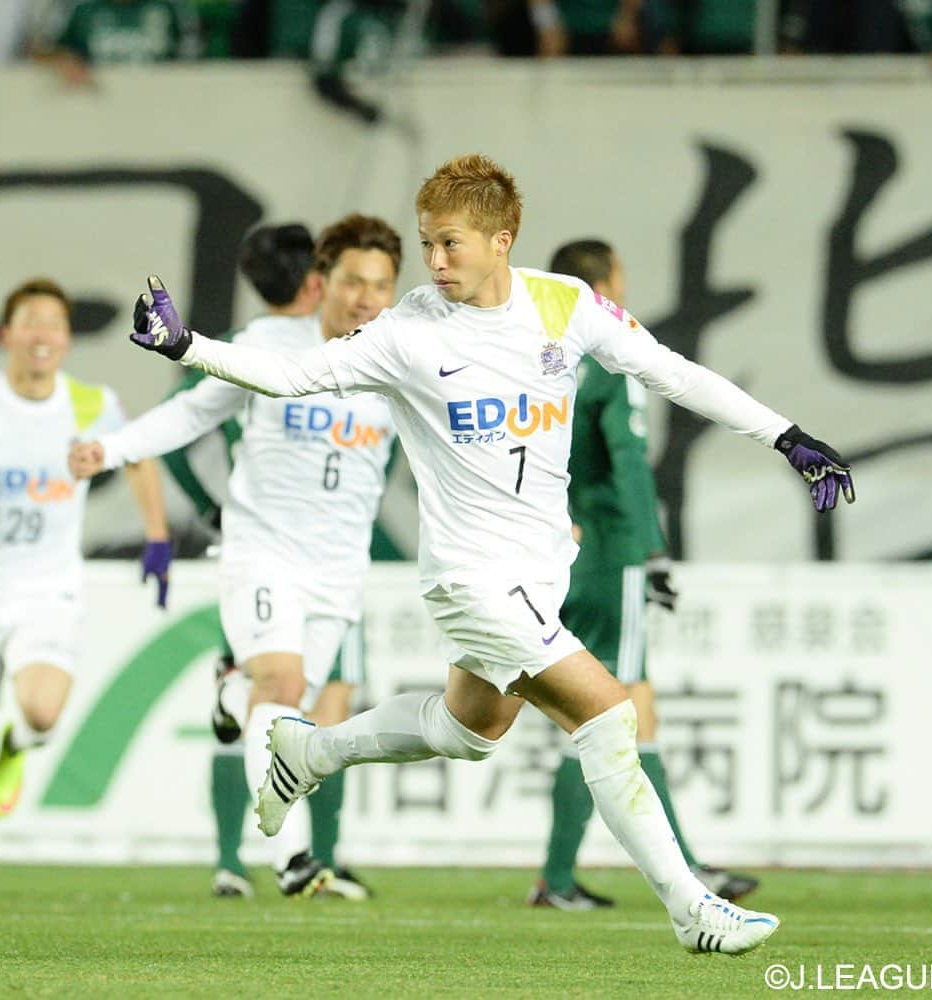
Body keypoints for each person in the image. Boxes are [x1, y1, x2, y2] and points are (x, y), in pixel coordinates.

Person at [121, 153, 855, 955]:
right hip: (470, 580)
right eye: (427, 244)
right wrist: (188, 345)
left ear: (502, 240)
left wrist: (783, 435)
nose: (434, 262)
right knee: (608, 716)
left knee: (468, 730)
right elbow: (294, 374)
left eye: (450, 245)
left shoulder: (563, 305)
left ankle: (313, 747)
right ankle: (691, 908)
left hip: (541, 575)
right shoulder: (407, 332)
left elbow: (671, 372)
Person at [70, 215, 402, 901]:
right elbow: (192, 413)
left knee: (299, 718)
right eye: (353, 281)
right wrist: (115, 449)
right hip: (265, 551)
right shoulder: (270, 344)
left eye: (382, 284)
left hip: (338, 567)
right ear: (323, 280)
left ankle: (231, 696)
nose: (367, 297)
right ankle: (296, 858)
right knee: (281, 692)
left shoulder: (401, 359)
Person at [528, 239, 757, 910]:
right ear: (605, 285)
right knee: (605, 716)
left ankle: (684, 867)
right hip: (612, 549)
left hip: (568, 548)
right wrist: (653, 548)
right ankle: (560, 876)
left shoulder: (546, 359)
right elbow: (628, 459)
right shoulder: (608, 356)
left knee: (633, 712)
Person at [0, 278, 171, 903]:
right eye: (29, 322)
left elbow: (135, 455)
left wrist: (157, 538)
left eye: (54, 323)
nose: (42, 334)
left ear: (65, 339)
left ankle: (18, 745)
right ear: (7, 335)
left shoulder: (89, 403)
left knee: (43, 713)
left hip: (48, 590)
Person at [36, 0, 202, 87]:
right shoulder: (81, 8)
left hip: (161, 110)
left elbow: (195, 61)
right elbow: (41, 49)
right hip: (96, 108)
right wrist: (65, 60)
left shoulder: (170, 7)